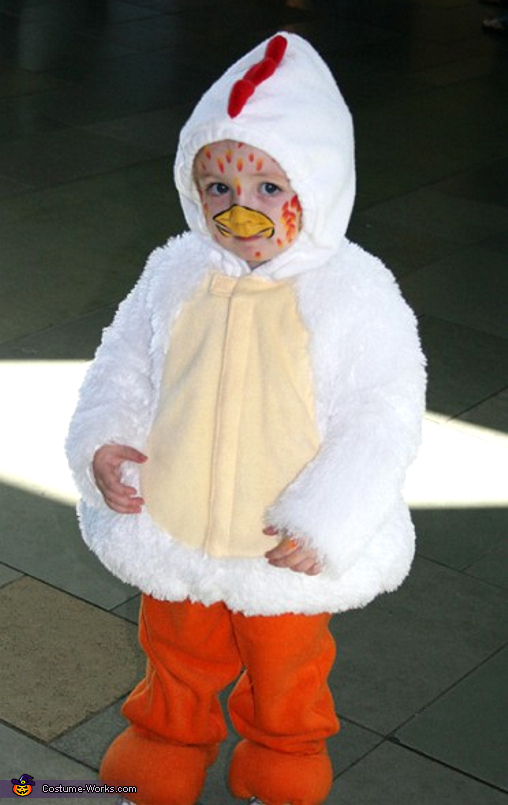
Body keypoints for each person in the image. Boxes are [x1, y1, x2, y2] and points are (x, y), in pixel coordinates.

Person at [66, 33, 426, 805]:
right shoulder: (176, 271)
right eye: (219, 188)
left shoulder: (353, 292)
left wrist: (329, 517)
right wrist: (103, 442)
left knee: (287, 667)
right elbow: (124, 359)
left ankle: (283, 753)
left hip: (279, 545)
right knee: (175, 652)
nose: (241, 212)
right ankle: (167, 738)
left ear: (320, 185)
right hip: (178, 519)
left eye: (270, 188)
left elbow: (384, 411)